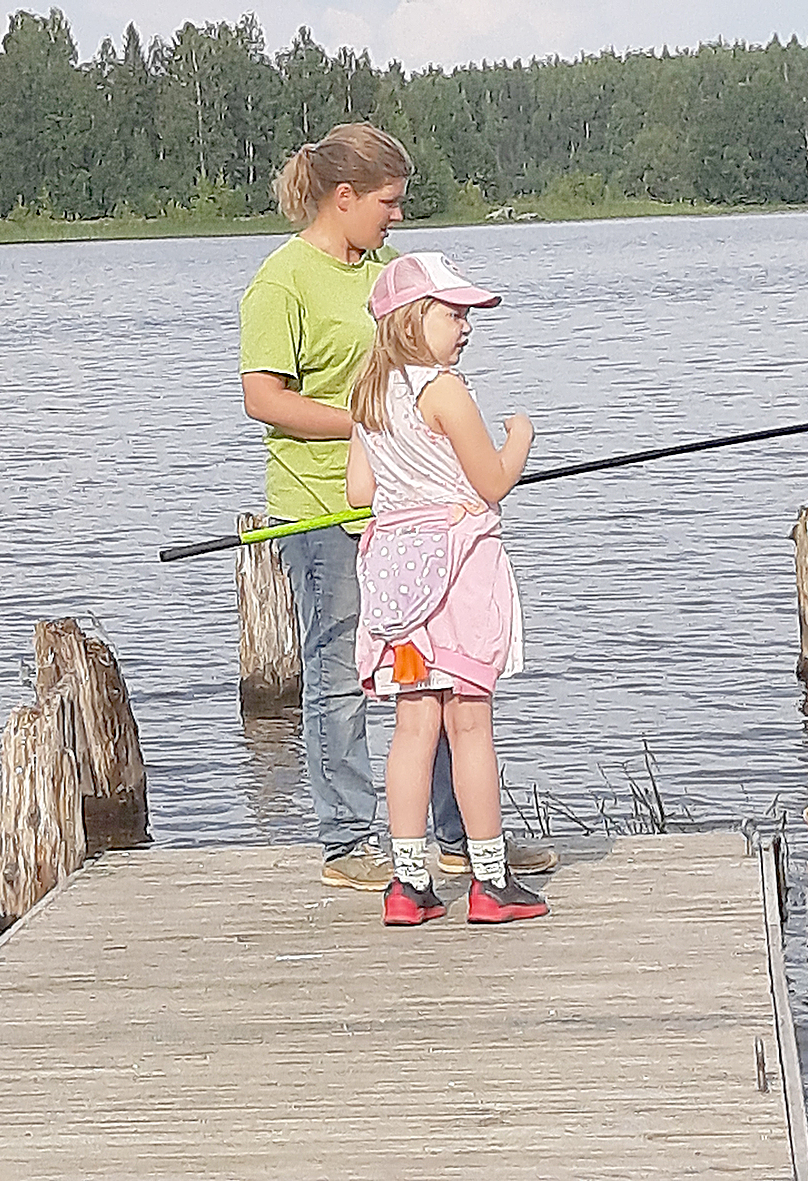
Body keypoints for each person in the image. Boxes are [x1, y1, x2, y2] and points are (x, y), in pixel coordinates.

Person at [238, 123, 556, 889]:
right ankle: (349, 841)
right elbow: (262, 399)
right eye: (388, 201)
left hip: (413, 517)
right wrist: (375, 426)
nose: (397, 216)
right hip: (320, 509)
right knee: (341, 673)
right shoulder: (280, 283)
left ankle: (457, 837)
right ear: (341, 198)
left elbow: (417, 374)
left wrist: (406, 430)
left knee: (441, 677)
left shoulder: (392, 272)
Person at [346, 251, 550, 925]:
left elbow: (359, 491)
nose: (464, 326)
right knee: (470, 725)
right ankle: (490, 883)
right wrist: (520, 438)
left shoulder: (368, 392)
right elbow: (491, 481)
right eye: (451, 313)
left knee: (412, 729)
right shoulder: (445, 391)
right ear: (409, 319)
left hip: (396, 581)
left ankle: (407, 883)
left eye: (466, 315)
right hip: (459, 578)